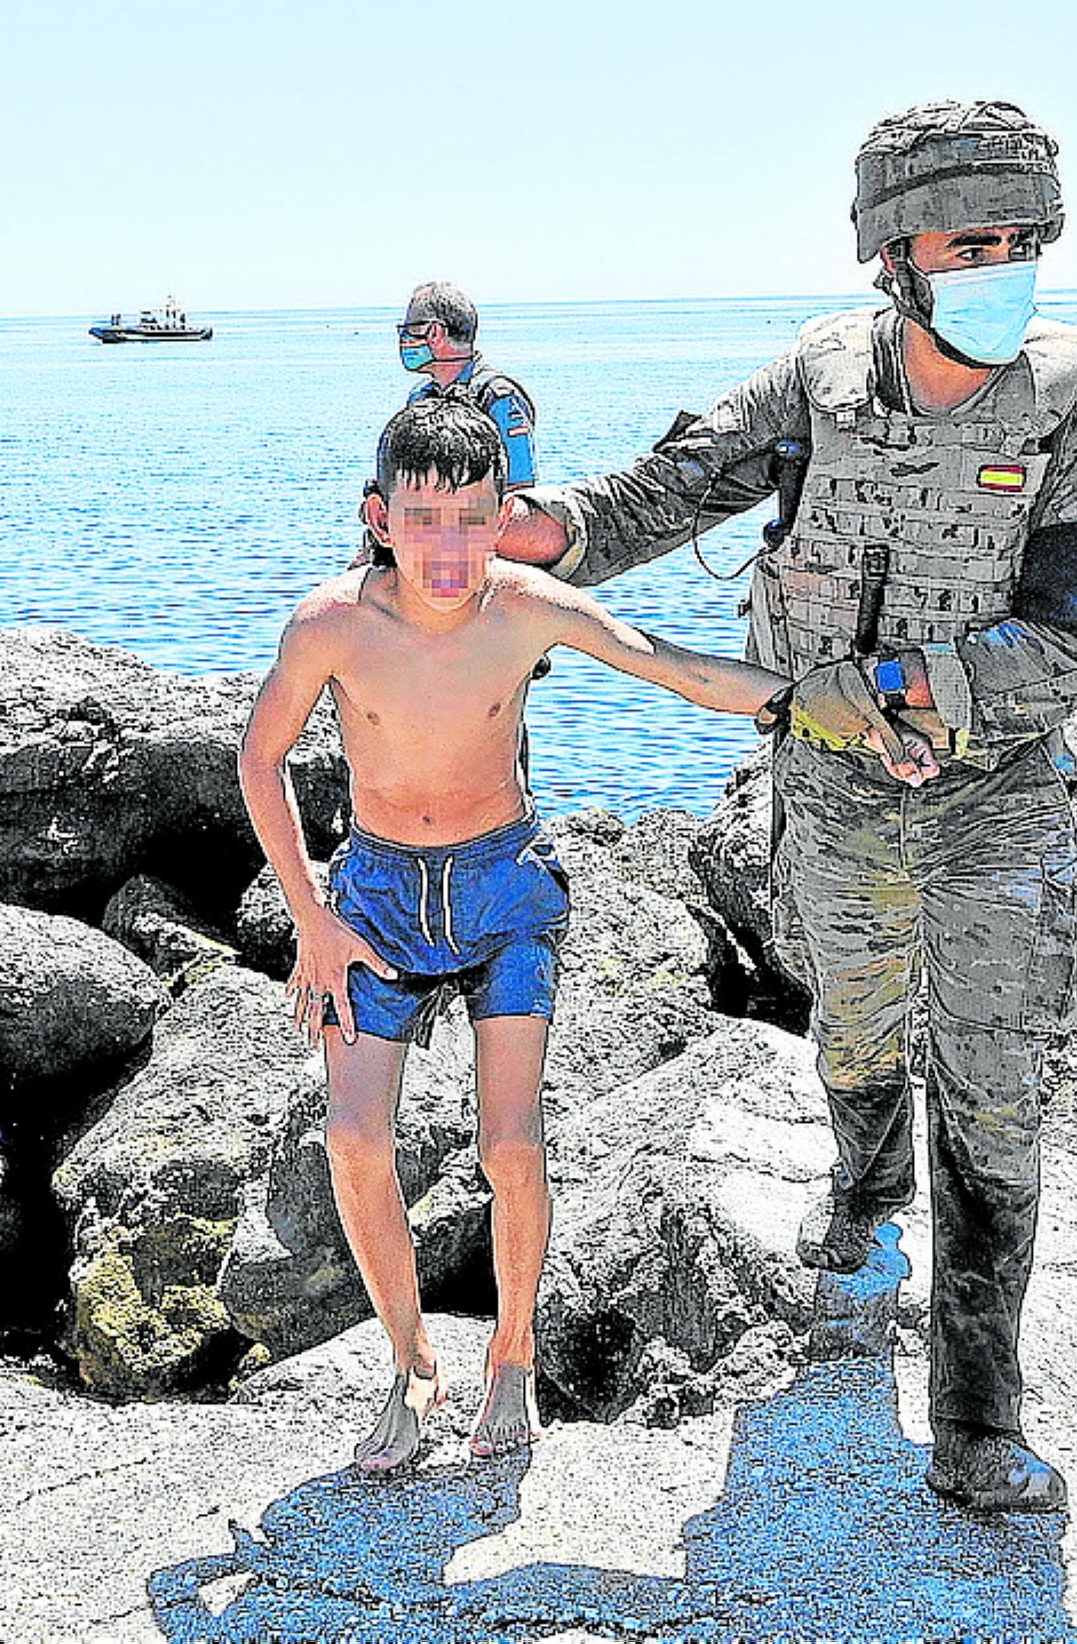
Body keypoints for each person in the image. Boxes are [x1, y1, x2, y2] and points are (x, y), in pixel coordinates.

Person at [496, 99, 1077, 1513]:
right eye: (968, 244)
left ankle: (977, 1418)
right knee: (856, 1017)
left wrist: (911, 684)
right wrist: (522, 534)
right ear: (894, 256)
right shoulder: (815, 383)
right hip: (834, 783)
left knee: (998, 1082)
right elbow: (659, 496)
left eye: (1020, 240)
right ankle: (865, 1188)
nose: (1000, 267)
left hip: (998, 791)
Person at [239, 397, 935, 1476]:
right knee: (354, 1141)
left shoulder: (525, 606)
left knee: (511, 1148)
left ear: (504, 517)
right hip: (374, 900)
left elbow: (674, 666)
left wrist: (829, 706)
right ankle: (411, 1365)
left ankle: (511, 1353)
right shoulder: (330, 624)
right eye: (422, 522)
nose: (448, 550)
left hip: (503, 890)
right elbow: (260, 758)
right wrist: (312, 921)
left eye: (471, 520)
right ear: (380, 518)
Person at [398, 280, 538, 486]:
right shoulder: (419, 396)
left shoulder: (497, 398)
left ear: (435, 332)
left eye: (409, 329)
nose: (404, 338)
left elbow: (520, 489)